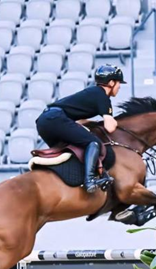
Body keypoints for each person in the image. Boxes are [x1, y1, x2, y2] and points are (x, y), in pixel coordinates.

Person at [35, 64, 126, 193]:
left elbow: (80, 121)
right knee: (93, 143)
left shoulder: (93, 92)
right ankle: (89, 181)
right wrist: (116, 122)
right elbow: (110, 127)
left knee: (71, 149)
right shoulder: (102, 96)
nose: (120, 86)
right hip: (56, 119)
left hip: (44, 121)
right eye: (118, 83)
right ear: (111, 83)